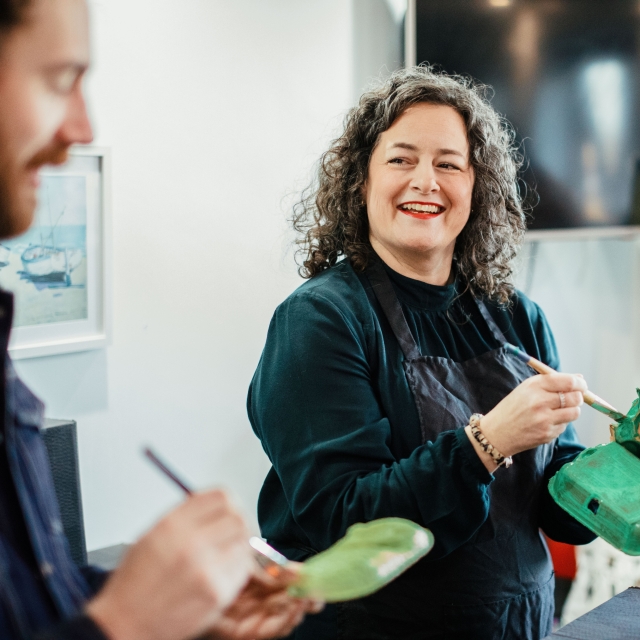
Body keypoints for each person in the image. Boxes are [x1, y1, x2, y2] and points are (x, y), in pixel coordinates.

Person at [0, 0, 319, 638]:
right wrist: (126, 623)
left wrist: (179, 614)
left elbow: (35, 603)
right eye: (61, 80)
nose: (82, 128)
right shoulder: (320, 318)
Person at [248, 66, 597, 640]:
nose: (425, 181)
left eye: (448, 164)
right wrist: (487, 443)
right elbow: (342, 523)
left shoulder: (516, 314)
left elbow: (551, 499)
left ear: (475, 185)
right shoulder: (322, 320)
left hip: (518, 624)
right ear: (361, 181)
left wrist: (615, 472)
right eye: (401, 159)